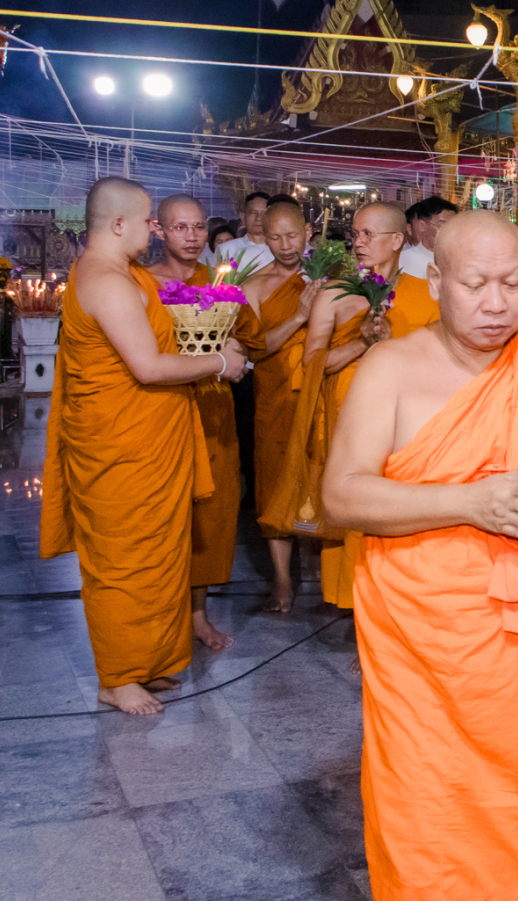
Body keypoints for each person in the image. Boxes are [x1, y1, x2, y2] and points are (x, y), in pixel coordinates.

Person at [322, 211, 518, 900]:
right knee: (430, 808)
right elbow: (341, 495)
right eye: (475, 285)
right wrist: (471, 503)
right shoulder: (391, 367)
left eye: (513, 283)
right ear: (436, 280)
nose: (497, 303)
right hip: (426, 644)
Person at [42, 178, 247, 715]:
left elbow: (157, 338)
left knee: (157, 558)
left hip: (149, 439)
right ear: (117, 224)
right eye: (146, 221)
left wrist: (209, 335)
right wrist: (218, 363)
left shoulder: (122, 274)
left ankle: (144, 663)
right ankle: (117, 677)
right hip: (121, 447)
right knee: (123, 562)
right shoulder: (107, 281)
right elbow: (148, 367)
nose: (152, 230)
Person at [267, 203, 439, 611]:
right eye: (355, 234)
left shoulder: (427, 292)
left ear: (397, 240)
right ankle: (354, 606)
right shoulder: (334, 292)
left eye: (368, 234)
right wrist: (362, 343)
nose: (358, 242)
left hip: (409, 424)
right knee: (356, 509)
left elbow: (438, 362)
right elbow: (312, 362)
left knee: (404, 513)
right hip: (350, 419)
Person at [144, 194, 243, 652]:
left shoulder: (219, 281)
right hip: (163, 403)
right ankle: (161, 614)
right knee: (165, 512)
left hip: (212, 404)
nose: (191, 236)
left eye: (199, 227)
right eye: (180, 227)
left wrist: (232, 348)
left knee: (210, 513)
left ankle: (199, 614)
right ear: (159, 230)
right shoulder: (143, 283)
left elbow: (245, 338)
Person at [241, 200, 317, 612]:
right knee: (274, 481)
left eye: (292, 236)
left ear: (308, 232)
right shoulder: (254, 286)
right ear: (262, 237)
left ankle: (320, 565)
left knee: (318, 474)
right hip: (274, 393)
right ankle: (283, 580)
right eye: (275, 237)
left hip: (319, 389)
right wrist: (299, 317)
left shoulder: (328, 277)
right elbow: (255, 348)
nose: (285, 246)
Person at [208, 191, 275, 270]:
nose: (258, 218)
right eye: (253, 213)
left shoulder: (279, 250)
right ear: (243, 217)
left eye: (264, 213)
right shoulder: (225, 250)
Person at [399, 196, 459, 278]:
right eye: (442, 225)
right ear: (422, 226)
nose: (449, 231)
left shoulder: (460, 262)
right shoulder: (402, 261)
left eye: (453, 226)